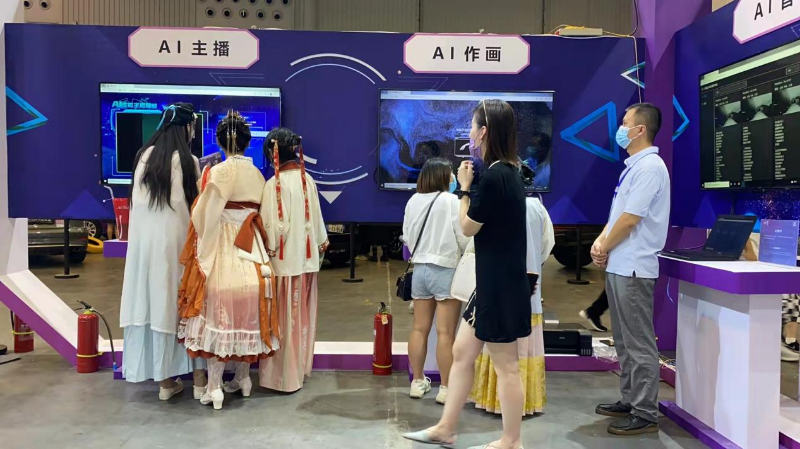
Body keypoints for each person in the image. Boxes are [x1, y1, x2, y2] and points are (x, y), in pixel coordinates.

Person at [404, 99, 531, 449]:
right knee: (461, 352)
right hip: (491, 284)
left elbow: (467, 227)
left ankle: (511, 441)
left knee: (506, 366)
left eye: (473, 127)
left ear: (484, 131)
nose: (470, 133)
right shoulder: (508, 172)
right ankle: (446, 427)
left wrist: (462, 189)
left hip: (499, 287)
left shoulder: (495, 177)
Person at [178, 111, 279, 410]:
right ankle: (243, 379)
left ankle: (214, 387)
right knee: (247, 311)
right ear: (247, 142)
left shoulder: (219, 172)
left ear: (221, 142)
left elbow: (204, 217)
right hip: (252, 250)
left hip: (225, 247)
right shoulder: (257, 174)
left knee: (217, 311)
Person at [590, 103, 669, 436]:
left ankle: (646, 411)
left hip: (635, 267)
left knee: (638, 342)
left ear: (640, 130)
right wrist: (600, 242)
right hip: (621, 265)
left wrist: (604, 246)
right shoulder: (634, 167)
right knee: (623, 340)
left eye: (625, 123)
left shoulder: (650, 167)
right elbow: (618, 216)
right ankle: (631, 399)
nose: (620, 129)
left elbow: (631, 219)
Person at [119, 103, 207, 400]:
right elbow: (196, 208)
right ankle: (199, 380)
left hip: (144, 250)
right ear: (186, 128)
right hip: (178, 247)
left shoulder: (142, 157)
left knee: (155, 306)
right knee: (187, 308)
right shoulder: (188, 161)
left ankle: (165, 384)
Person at [470, 175, 554, 417]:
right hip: (529, 286)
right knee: (517, 359)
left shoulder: (493, 205)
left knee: (498, 352)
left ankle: (494, 403)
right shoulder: (537, 208)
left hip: (495, 287)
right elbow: (547, 245)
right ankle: (522, 408)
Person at [258, 128, 329, 393]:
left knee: (282, 322)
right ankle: (298, 371)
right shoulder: (306, 179)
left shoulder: (274, 185)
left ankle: (282, 378)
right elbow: (317, 224)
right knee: (301, 321)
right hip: (305, 263)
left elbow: (274, 230)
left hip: (284, 266)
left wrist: (267, 251)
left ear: (273, 152)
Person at [402, 158, 469, 403]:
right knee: (445, 333)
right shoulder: (452, 201)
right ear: (443, 176)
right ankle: (447, 388)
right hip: (446, 270)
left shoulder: (413, 201)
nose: (453, 178)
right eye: (450, 173)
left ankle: (417, 382)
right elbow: (464, 236)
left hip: (420, 270)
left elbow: (407, 236)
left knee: (419, 328)